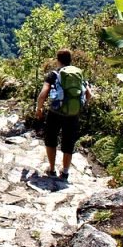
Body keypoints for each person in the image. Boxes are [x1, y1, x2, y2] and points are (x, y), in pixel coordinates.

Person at [35, 49, 92, 180]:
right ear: (70, 60)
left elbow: (43, 94)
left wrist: (39, 109)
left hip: (55, 112)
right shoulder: (79, 74)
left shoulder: (54, 75)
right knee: (68, 142)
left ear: (58, 60)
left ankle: (52, 169)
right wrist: (79, 106)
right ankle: (65, 172)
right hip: (73, 114)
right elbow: (89, 94)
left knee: (51, 139)